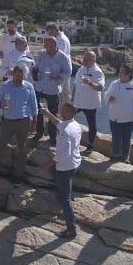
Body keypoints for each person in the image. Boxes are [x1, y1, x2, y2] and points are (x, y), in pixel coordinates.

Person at [0, 65, 38, 186]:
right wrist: (1, 104)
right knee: (0, 145)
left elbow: (34, 105)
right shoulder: (5, 86)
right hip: (7, 122)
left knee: (22, 149)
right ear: (13, 74)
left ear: (24, 75)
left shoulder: (29, 86)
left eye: (22, 75)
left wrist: (34, 122)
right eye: (17, 75)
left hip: (24, 122)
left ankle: (18, 175)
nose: (19, 77)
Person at [42, 101, 82, 240]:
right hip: (74, 163)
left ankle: (71, 230)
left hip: (66, 166)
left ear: (68, 113)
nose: (60, 109)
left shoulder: (65, 130)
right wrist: (48, 114)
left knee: (65, 199)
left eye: (63, 109)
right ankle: (62, 196)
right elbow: (59, 123)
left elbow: (63, 154)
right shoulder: (74, 124)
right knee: (64, 187)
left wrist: (50, 162)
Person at [32, 36, 72, 146]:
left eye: (49, 45)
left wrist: (58, 76)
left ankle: (52, 136)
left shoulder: (63, 57)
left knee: (52, 114)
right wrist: (34, 73)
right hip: (40, 88)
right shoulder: (41, 54)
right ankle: (39, 133)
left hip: (53, 90)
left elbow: (68, 72)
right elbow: (36, 67)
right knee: (39, 112)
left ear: (55, 45)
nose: (47, 47)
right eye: (46, 45)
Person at [104, 64, 133, 163]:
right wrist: (109, 98)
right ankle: (115, 155)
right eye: (120, 71)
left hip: (129, 118)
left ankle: (126, 157)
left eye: (122, 72)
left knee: (126, 138)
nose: (119, 74)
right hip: (115, 117)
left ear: (129, 74)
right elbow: (106, 94)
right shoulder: (114, 84)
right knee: (116, 138)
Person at [73, 50, 105, 153]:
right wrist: (71, 98)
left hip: (90, 103)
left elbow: (100, 87)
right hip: (78, 101)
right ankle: (67, 138)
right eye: (84, 58)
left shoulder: (97, 71)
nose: (84, 61)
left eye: (87, 59)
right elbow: (75, 84)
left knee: (91, 124)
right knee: (66, 116)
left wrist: (90, 83)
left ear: (93, 60)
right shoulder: (81, 69)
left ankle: (90, 145)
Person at [46, 24, 72, 105]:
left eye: (50, 32)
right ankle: (63, 112)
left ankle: (65, 113)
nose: (49, 34)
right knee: (63, 92)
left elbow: (60, 56)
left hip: (62, 70)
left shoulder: (61, 40)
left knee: (64, 92)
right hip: (60, 70)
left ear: (55, 30)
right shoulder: (60, 38)